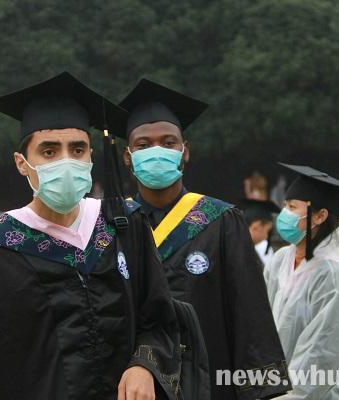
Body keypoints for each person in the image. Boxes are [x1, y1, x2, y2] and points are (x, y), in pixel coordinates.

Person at [0, 72, 181, 400]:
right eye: (49, 152)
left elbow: (160, 320)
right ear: (22, 163)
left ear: (91, 156)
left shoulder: (124, 226)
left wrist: (144, 364)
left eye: (77, 150)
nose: (66, 161)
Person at [119, 79, 290, 400]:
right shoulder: (113, 225)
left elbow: (249, 314)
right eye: (143, 145)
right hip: (133, 387)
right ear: (127, 156)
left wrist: (260, 390)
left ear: (185, 151)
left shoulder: (220, 221)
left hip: (210, 383)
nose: (157, 151)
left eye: (168, 142)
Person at [264, 163, 339, 399]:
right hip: (275, 386)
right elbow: (261, 322)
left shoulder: (338, 278)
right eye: (285, 206)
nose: (284, 214)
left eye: (293, 207)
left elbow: (323, 354)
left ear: (320, 216)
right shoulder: (280, 260)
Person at [238, 199, 280, 267]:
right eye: (267, 231)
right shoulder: (238, 253)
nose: (266, 236)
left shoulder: (233, 245)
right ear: (256, 226)